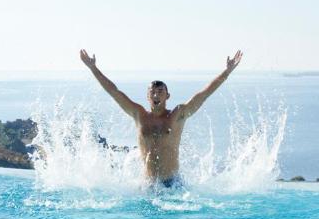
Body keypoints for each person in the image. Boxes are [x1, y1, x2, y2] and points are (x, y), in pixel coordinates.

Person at [80, 49, 243, 186]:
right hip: (148, 184)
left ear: (167, 96)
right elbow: (114, 92)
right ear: (147, 96)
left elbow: (204, 94)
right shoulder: (139, 114)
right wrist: (93, 68)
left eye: (160, 92)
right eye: (152, 92)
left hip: (172, 184)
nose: (156, 95)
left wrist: (227, 72)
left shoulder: (178, 115)